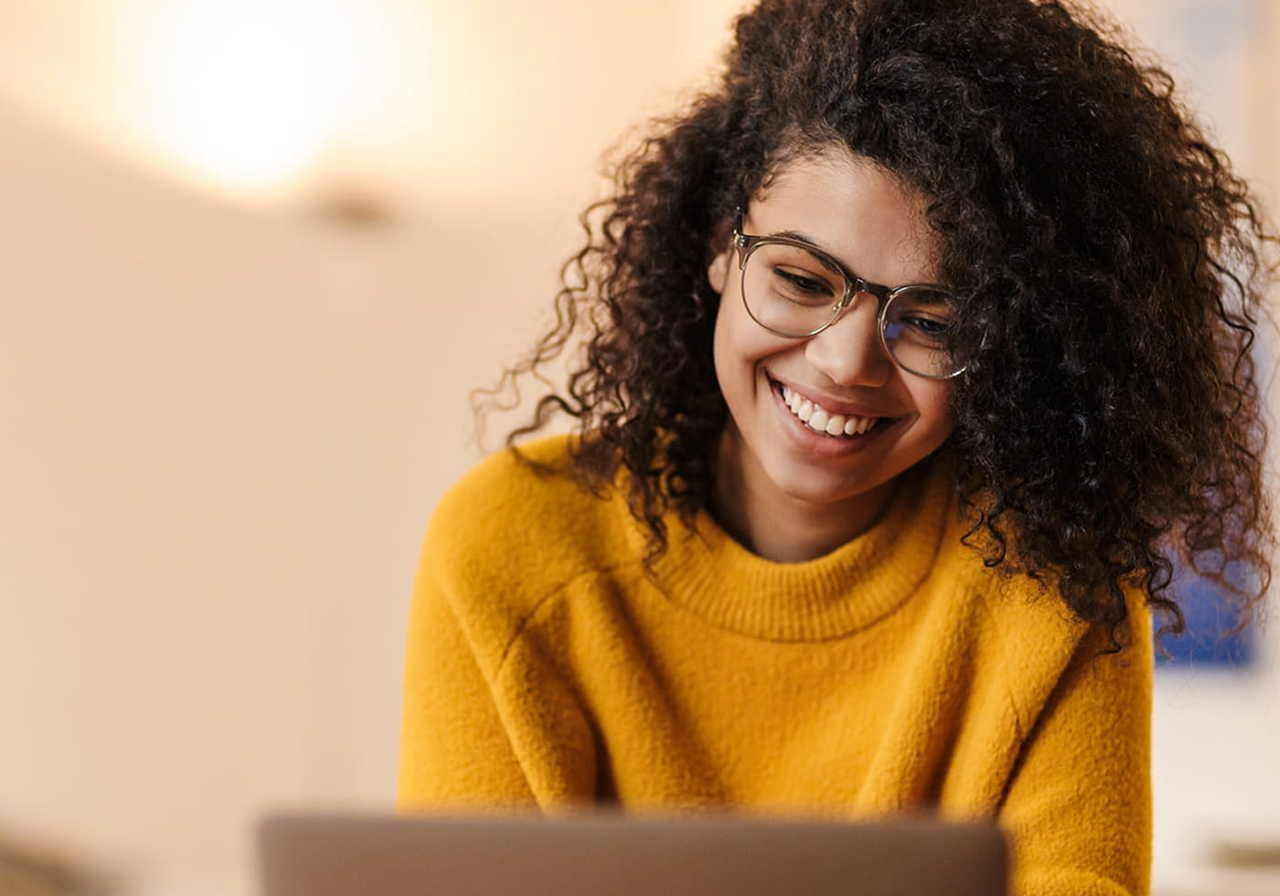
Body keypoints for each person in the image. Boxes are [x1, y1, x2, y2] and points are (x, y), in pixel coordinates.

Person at [397, 1, 1276, 894]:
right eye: (800, 278)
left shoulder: (1056, 592)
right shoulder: (510, 547)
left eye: (932, 320)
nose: (845, 361)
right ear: (717, 246)